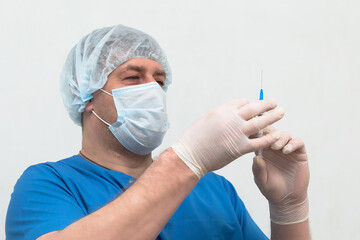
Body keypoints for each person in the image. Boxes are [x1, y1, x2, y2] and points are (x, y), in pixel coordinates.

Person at [6, 25, 310, 240]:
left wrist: (290, 209)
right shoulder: (48, 185)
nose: (151, 89)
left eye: (159, 80)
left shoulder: (215, 190)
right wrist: (188, 158)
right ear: (85, 94)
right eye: (133, 77)